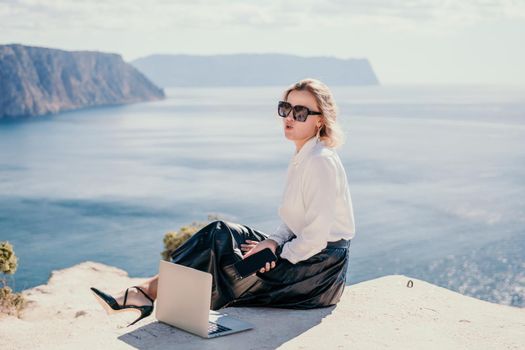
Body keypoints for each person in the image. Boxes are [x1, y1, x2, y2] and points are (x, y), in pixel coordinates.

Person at [90, 78, 356, 327]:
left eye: (300, 112)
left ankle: (145, 295)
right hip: (306, 258)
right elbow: (294, 222)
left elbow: (315, 238)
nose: (289, 117)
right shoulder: (304, 156)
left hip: (318, 273)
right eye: (285, 108)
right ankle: (148, 293)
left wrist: (277, 254)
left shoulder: (320, 161)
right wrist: (272, 242)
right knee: (224, 233)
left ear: (319, 121)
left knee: (224, 247)